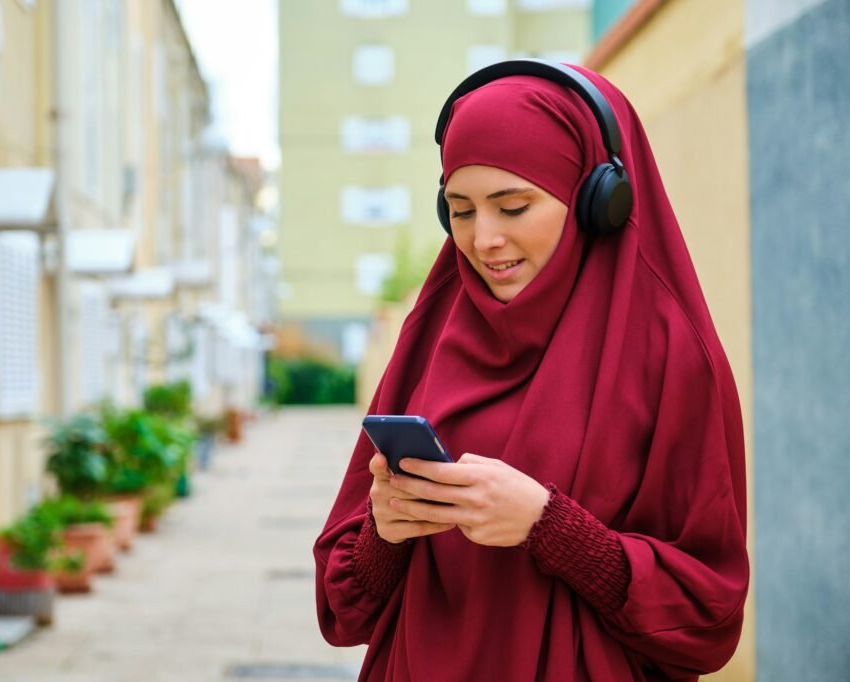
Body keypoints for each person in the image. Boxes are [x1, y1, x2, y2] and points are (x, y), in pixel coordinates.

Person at [313, 60, 750, 681]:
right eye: (460, 211)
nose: (483, 238)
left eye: (512, 207)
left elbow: (707, 618)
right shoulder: (432, 336)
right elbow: (342, 609)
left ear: (598, 199)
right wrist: (388, 531)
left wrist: (551, 528)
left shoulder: (671, 356)